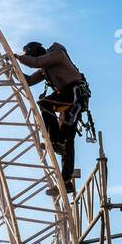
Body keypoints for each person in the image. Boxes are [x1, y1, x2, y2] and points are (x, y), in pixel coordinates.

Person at [15, 41, 89, 195]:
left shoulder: (56, 53)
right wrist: (12, 69)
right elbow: (29, 81)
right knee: (67, 139)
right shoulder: (45, 68)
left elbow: (37, 62)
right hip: (69, 100)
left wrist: (17, 58)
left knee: (44, 104)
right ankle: (66, 182)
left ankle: (56, 140)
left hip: (73, 93)